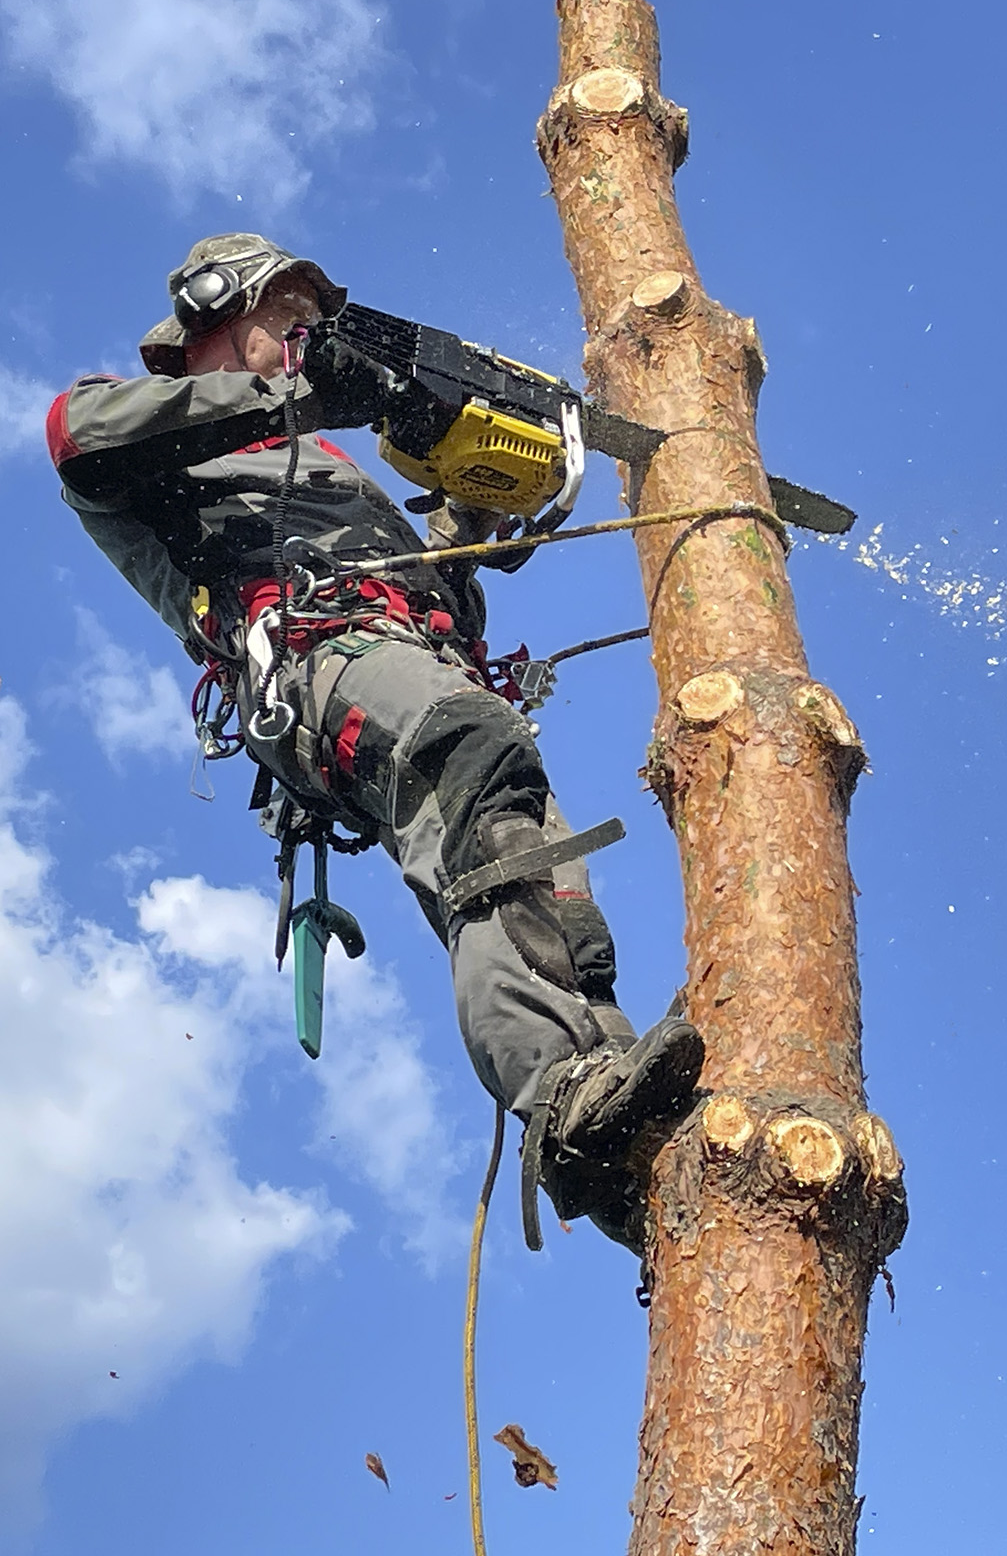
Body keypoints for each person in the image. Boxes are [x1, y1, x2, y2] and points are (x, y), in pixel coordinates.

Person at [46, 232, 703, 1252]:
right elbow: (74, 441)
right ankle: (560, 1087)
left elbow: (443, 587)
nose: (310, 334)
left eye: (317, 321)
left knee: (538, 865)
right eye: (288, 314)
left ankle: (624, 1140)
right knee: (473, 755)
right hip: (319, 663)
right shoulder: (138, 434)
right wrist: (323, 388)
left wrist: (470, 507)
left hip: (413, 668)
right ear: (211, 315)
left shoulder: (335, 475)